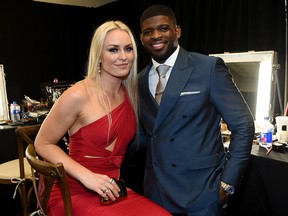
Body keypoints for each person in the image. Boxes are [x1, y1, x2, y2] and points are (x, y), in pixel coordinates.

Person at [34, 20, 171, 216]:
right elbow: (43, 143)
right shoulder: (78, 95)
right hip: (73, 191)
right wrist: (88, 177)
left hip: (112, 191)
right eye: (113, 50)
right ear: (99, 55)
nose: (123, 57)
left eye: (128, 49)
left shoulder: (130, 94)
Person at [136, 4, 255, 216]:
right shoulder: (140, 80)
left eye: (163, 28)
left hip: (202, 194)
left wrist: (228, 182)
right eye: (148, 32)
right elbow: (144, 137)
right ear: (141, 38)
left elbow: (243, 125)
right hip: (155, 195)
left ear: (177, 31)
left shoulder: (208, 68)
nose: (156, 36)